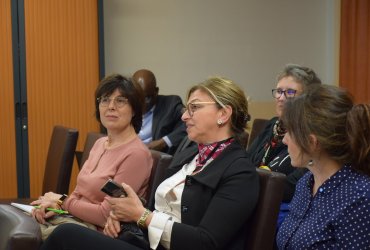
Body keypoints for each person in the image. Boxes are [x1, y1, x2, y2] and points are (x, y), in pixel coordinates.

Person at [40, 77, 259, 250]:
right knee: (65, 235)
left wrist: (141, 216)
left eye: (194, 108)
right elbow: (157, 210)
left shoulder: (239, 172)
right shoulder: (189, 157)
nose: (184, 116)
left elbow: (205, 241)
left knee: (65, 235)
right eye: (187, 108)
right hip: (145, 242)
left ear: (223, 113)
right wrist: (123, 217)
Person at [31, 74, 153, 239]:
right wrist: (56, 206)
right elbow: (78, 192)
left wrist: (62, 201)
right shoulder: (100, 143)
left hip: (98, 234)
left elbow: (104, 215)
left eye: (120, 100)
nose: (111, 106)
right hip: (74, 221)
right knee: (24, 221)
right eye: (105, 100)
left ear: (134, 110)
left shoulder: (136, 155)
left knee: (31, 235)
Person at [276, 84, 370, 249]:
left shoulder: (360, 197)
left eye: (290, 132)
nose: (284, 140)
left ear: (312, 143)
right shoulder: (306, 183)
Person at [247, 64, 321, 204]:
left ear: (308, 98)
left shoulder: (311, 135)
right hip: (253, 200)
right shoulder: (273, 125)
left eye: (290, 92)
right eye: (279, 91)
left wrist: (247, 183)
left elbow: (293, 187)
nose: (281, 98)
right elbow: (245, 164)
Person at [133, 69, 186, 154]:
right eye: (137, 97)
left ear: (156, 91)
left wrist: (164, 142)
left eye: (146, 98)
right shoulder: (124, 106)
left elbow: (191, 123)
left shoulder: (171, 104)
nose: (141, 103)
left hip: (153, 158)